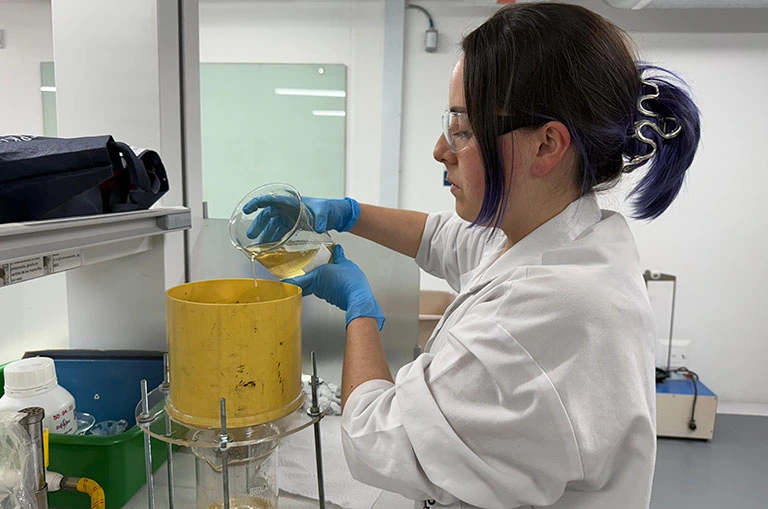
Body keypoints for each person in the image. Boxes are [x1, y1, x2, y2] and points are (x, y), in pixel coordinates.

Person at [246, 3, 700, 508]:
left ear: (546, 145)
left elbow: (376, 438)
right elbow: (445, 238)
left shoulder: (550, 312)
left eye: (462, 129)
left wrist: (360, 311)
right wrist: (346, 213)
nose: (440, 150)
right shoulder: (566, 236)